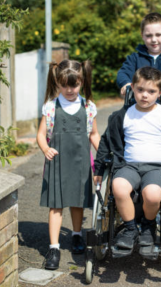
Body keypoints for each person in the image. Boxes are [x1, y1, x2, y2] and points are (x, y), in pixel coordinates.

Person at [94, 67, 161, 250]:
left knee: (153, 194)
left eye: (151, 91)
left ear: (160, 93)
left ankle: (148, 226)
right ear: (132, 88)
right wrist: (99, 169)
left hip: (157, 167)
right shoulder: (122, 115)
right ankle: (131, 229)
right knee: (118, 188)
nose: (144, 95)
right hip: (128, 165)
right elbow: (106, 142)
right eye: (140, 90)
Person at [36, 59, 100, 269]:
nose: (69, 90)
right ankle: (53, 248)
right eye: (65, 85)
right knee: (56, 205)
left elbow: (94, 134)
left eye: (74, 85)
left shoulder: (89, 107)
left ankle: (76, 235)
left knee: (77, 202)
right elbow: (40, 135)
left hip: (81, 162)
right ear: (57, 82)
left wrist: (104, 155)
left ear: (82, 82)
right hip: (57, 162)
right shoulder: (51, 107)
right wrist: (45, 148)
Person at [117, 12, 161, 112]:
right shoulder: (134, 58)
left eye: (158, 35)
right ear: (142, 35)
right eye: (149, 36)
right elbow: (123, 73)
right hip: (137, 113)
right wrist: (126, 84)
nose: (154, 40)